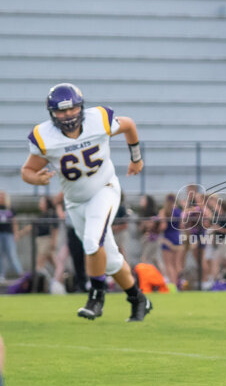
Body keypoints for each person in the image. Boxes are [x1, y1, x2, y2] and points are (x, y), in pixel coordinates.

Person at [21, 83, 152, 321]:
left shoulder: (98, 120)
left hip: (104, 189)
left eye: (72, 108)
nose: (68, 114)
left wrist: (136, 159)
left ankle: (96, 297)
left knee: (93, 242)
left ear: (81, 107)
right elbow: (27, 170)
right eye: (62, 111)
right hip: (75, 202)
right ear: (52, 113)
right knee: (109, 260)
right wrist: (36, 179)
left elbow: (129, 125)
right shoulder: (44, 136)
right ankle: (138, 298)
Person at [0, 191, 27, 282]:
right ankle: (1, 275)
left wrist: (16, 233)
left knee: (12, 255)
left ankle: (21, 274)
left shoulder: (10, 208)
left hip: (8, 234)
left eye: (2, 196)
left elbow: (14, 222)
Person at [158, 193, 183, 287]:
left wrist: (156, 228)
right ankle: (179, 284)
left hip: (168, 238)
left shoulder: (164, 211)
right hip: (177, 237)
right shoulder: (179, 211)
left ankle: (173, 285)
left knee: (169, 264)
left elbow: (163, 226)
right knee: (177, 264)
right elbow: (181, 226)